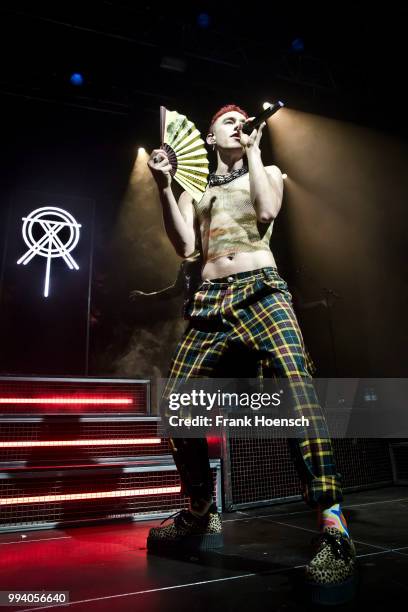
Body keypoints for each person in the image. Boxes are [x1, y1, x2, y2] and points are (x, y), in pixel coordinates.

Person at [145, 104, 357, 604]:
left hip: (263, 292)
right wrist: (162, 185)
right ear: (210, 134)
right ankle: (199, 508)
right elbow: (183, 248)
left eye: (244, 118)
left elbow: (266, 211)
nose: (238, 123)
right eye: (228, 119)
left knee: (297, 393)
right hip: (211, 302)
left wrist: (257, 153)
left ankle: (332, 523)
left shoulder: (271, 170)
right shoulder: (197, 191)